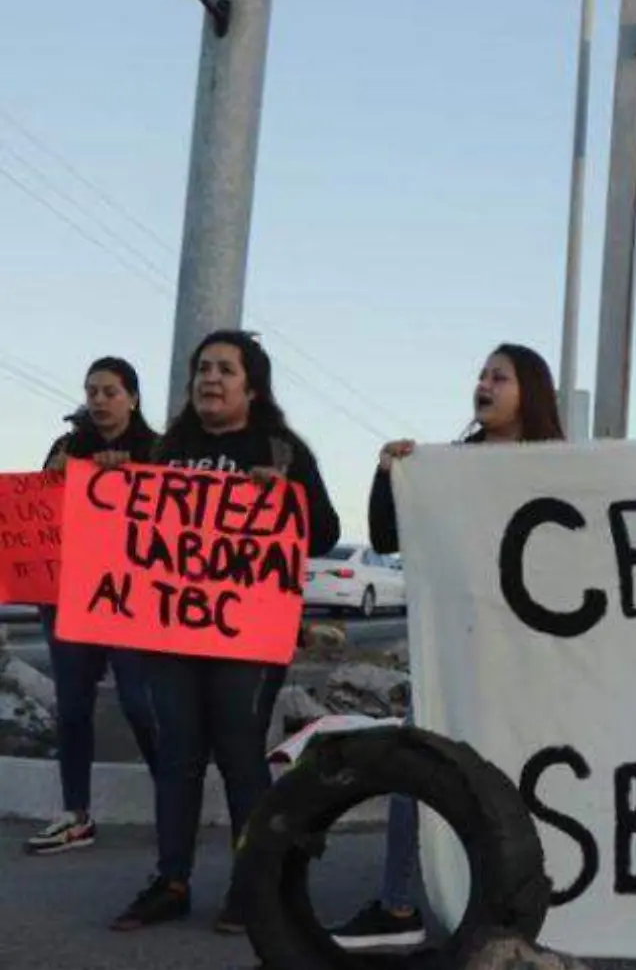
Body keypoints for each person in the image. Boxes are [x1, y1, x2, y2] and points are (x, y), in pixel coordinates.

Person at [332, 344, 564, 950]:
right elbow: (388, 535)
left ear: (528, 393)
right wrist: (391, 476)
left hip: (528, 656)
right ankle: (399, 903)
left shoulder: (560, 467)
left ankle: (529, 903)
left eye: (500, 377)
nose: (484, 385)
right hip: (457, 654)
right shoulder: (449, 466)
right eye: (482, 375)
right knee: (420, 771)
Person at [112, 331, 340, 934]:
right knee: (178, 760)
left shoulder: (280, 447)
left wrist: (285, 495)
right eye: (203, 369)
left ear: (252, 386)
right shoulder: (167, 449)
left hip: (246, 640)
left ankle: (252, 886)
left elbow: (321, 531)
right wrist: (106, 475)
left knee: (242, 760)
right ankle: (172, 881)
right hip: (171, 637)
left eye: (225, 370)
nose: (211, 379)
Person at [22, 358, 162, 857]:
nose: (99, 400)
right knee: (74, 707)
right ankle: (75, 814)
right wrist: (56, 476)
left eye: (109, 391)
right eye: (92, 391)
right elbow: (39, 515)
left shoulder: (155, 449)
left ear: (132, 398)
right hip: (69, 598)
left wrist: (135, 474)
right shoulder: (66, 447)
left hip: (129, 599)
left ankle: (173, 801)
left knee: (139, 703)